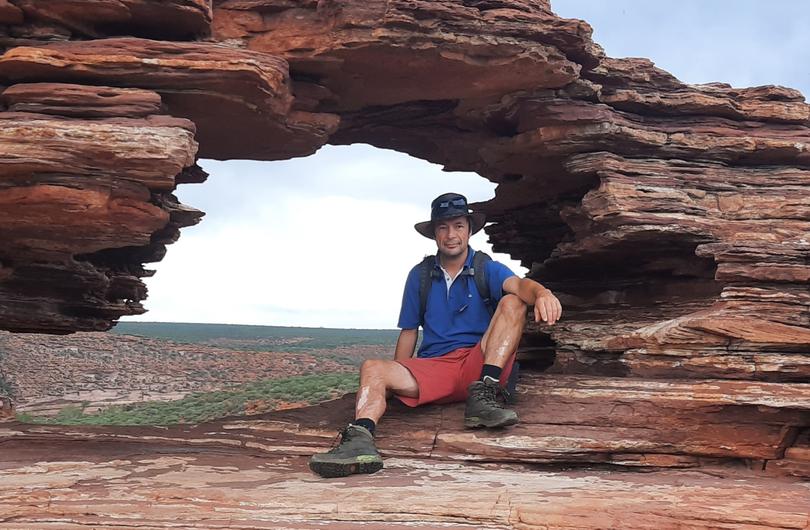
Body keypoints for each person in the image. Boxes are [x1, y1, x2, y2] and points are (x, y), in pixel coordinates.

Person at [309, 192, 562, 478]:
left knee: (513, 300)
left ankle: (484, 395)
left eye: (458, 226)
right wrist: (392, 383)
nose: (451, 235)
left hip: (477, 363)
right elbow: (409, 331)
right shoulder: (420, 275)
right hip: (435, 368)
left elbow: (519, 284)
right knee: (372, 368)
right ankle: (359, 441)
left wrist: (542, 292)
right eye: (443, 227)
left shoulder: (484, 268)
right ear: (434, 233)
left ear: (469, 230)